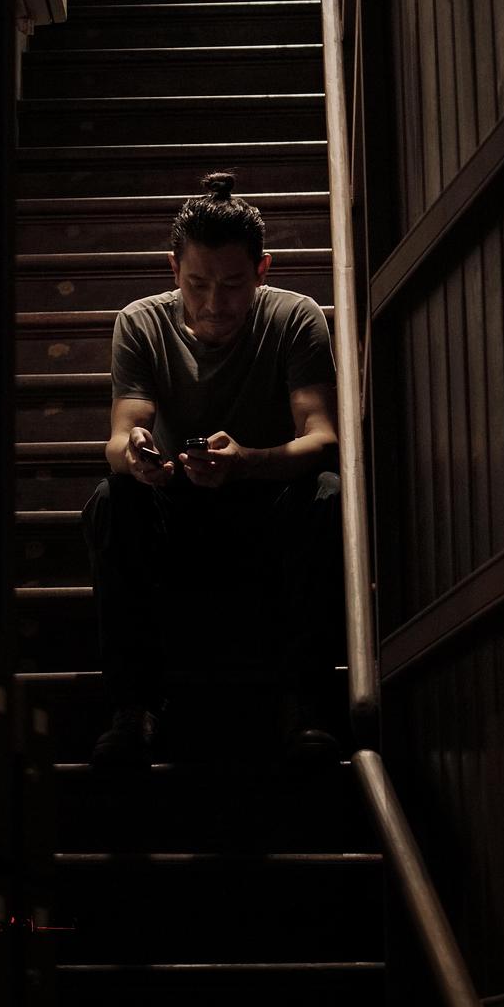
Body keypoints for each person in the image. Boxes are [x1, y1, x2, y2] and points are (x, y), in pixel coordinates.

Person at [81, 171, 346, 768]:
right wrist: (138, 456)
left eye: (232, 285)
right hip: (176, 512)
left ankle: (305, 704)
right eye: (196, 284)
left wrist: (248, 462)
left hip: (265, 510)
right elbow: (121, 436)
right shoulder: (141, 322)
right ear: (173, 269)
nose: (213, 304)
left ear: (262, 269)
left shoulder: (295, 317)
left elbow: (322, 438)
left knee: (326, 493)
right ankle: (133, 708)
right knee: (112, 498)